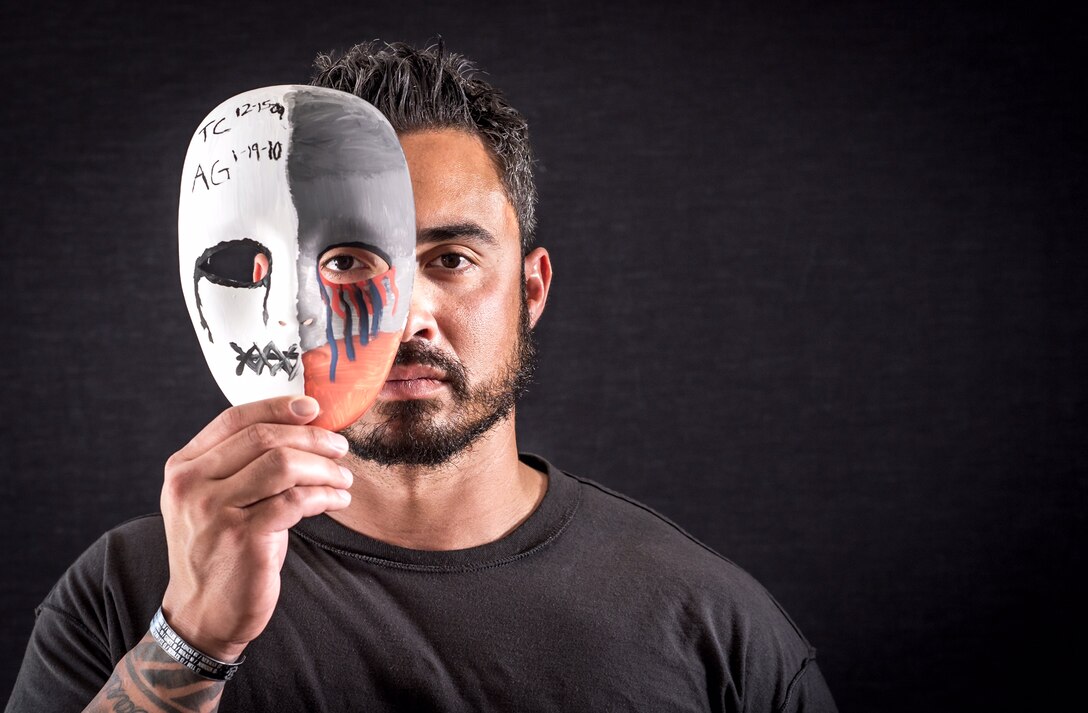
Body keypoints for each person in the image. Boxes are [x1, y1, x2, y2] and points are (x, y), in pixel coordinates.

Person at [6, 41, 838, 712]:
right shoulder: (133, 591)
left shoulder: (711, 625)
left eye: (449, 257)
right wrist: (190, 643)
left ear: (531, 287)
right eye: (347, 260)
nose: (405, 315)